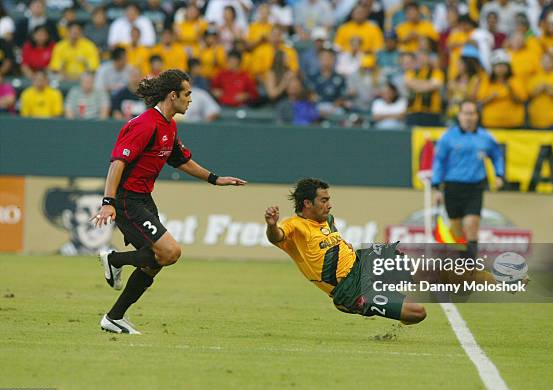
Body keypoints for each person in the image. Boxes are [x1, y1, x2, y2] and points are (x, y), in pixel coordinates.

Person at [92, 69, 247, 334]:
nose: (190, 100)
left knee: (155, 261)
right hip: (128, 201)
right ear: (172, 95)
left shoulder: (169, 125)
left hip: (144, 199)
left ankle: (114, 317)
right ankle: (114, 259)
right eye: (187, 94)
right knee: (171, 252)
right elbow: (118, 162)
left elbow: (181, 160)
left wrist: (215, 179)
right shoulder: (145, 124)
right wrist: (109, 201)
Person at [264, 178, 427, 324]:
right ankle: (394, 310)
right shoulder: (294, 226)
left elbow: (332, 244)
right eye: (324, 200)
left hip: (361, 263)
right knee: (418, 313)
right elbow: (276, 236)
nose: (329, 205)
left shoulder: (328, 219)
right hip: (351, 290)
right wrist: (271, 225)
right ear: (307, 203)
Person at [431, 100, 504, 261]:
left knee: (471, 226)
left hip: (475, 187)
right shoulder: (448, 137)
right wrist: (436, 187)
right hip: (452, 187)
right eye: (466, 113)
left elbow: (497, 155)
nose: (469, 117)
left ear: (477, 116)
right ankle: (460, 265)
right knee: (457, 232)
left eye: (472, 113)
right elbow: (439, 162)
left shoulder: (485, 137)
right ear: (459, 115)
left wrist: (499, 174)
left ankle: (469, 271)